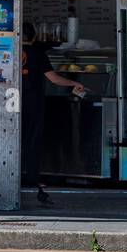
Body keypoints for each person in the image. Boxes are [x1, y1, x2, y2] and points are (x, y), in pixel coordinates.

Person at [21, 21, 87, 206]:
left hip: (12, 103)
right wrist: (74, 83)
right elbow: (54, 78)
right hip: (33, 103)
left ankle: (14, 175)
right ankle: (31, 178)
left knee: (16, 140)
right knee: (31, 141)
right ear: (34, 36)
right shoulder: (37, 54)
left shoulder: (8, 52)